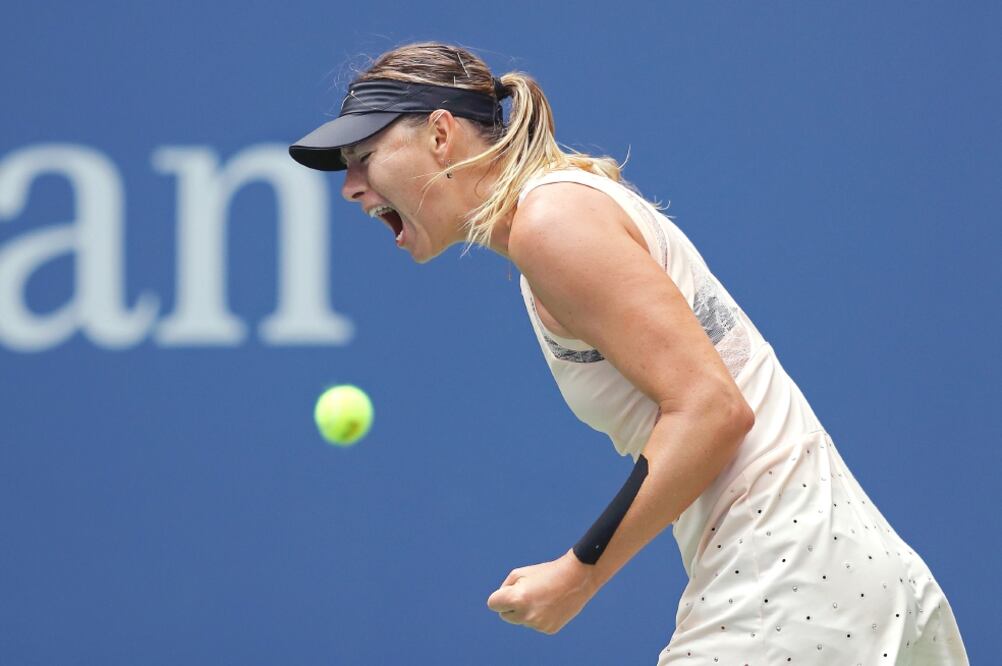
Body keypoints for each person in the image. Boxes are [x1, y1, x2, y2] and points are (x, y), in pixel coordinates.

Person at [288, 42, 969, 665]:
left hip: (791, 592)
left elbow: (711, 409)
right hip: (855, 579)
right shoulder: (562, 212)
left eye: (363, 158)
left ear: (440, 135)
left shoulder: (551, 223)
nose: (351, 187)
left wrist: (576, 574)